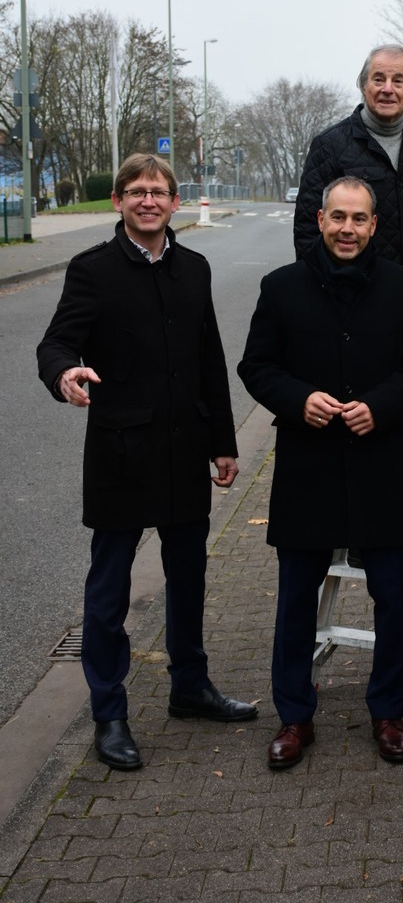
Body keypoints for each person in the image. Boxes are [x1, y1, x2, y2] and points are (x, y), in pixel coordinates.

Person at [37, 153, 257, 772]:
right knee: (108, 592)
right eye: (136, 192)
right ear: (118, 201)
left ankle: (190, 686)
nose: (148, 201)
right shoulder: (92, 271)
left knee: (188, 578)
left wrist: (224, 441)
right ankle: (109, 713)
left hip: (185, 451)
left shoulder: (196, 269)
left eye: (159, 192)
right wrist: (65, 373)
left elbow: (210, 358)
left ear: (175, 202)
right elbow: (56, 342)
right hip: (120, 456)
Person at [238, 176, 403, 769]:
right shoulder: (281, 288)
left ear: (373, 225)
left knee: (392, 596)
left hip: (380, 462)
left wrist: (381, 406)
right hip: (309, 464)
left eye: (359, 219)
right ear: (320, 221)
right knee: (296, 597)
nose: (347, 229)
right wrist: (297, 399)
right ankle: (294, 717)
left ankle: (389, 712)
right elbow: (257, 366)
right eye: (337, 217)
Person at [293, 44, 403, 309]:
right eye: (378, 79)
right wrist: (326, 300)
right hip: (355, 301)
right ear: (364, 86)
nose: (388, 88)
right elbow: (308, 232)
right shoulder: (330, 146)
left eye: (398, 81)